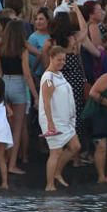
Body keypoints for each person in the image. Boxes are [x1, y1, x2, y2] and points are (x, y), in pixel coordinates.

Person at [0, 19, 38, 174]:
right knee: (18, 127)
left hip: (4, 82)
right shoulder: (22, 50)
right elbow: (27, 74)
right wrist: (35, 96)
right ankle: (12, 165)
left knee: (6, 124)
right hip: (19, 84)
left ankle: (4, 159)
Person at [39, 45, 80, 191]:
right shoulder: (48, 78)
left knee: (75, 146)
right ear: (51, 58)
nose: (62, 62)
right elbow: (46, 101)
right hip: (54, 120)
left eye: (64, 60)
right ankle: (49, 185)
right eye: (59, 60)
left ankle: (57, 172)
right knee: (55, 152)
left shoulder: (59, 74)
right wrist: (50, 123)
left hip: (65, 119)